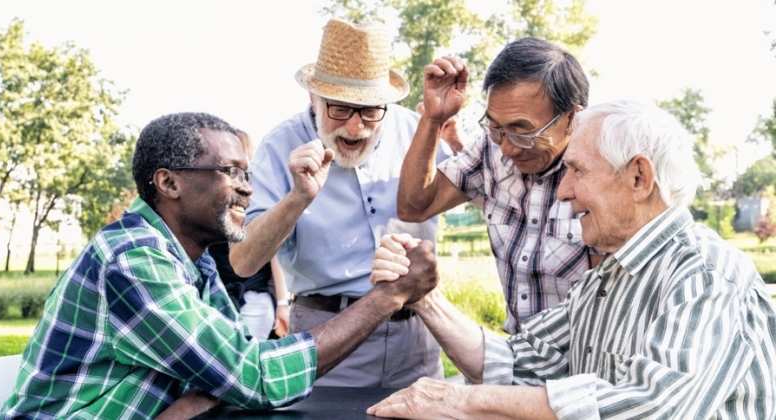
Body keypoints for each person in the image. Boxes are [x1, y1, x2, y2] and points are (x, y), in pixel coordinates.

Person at [0, 112, 439, 419]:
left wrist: (219, 386)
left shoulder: (195, 263)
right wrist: (389, 296)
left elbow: (236, 369)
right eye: (231, 172)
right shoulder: (134, 261)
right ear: (168, 182)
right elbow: (257, 378)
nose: (247, 191)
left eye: (247, 174)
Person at [368, 100, 776, 419]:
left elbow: (652, 408)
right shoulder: (606, 278)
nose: (562, 191)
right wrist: (422, 296)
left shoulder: (706, 276)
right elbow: (519, 364)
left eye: (577, 171)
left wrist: (464, 402)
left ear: (638, 177)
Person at [229, 18, 446, 388]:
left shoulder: (418, 132)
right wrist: (298, 198)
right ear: (313, 98)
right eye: (339, 109)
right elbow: (244, 261)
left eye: (368, 111)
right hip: (327, 336)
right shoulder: (280, 145)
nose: (354, 127)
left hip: (416, 336)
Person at [398, 38, 594, 333]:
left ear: (572, 118)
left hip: (583, 370)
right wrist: (433, 118)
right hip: (519, 359)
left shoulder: (605, 171)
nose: (508, 149)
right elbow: (414, 207)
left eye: (523, 132)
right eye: (496, 128)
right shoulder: (489, 151)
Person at [208, 129, 290, 339]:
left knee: (244, 363)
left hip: (251, 296)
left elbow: (275, 253)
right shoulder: (212, 196)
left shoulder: (256, 196)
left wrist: (283, 303)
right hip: (216, 294)